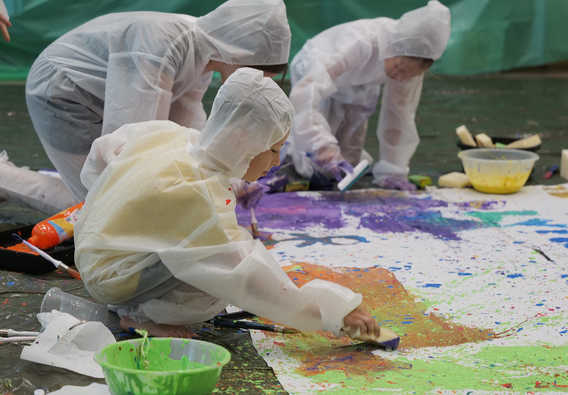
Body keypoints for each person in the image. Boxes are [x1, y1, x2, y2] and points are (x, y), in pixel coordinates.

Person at [74, 68, 380, 339]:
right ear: (245, 142)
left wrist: (127, 209)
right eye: (273, 149)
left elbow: (102, 155)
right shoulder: (196, 195)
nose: (275, 162)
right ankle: (141, 317)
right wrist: (335, 310)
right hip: (113, 279)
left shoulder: (171, 134)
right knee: (209, 290)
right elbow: (247, 277)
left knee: (201, 253)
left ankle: (131, 288)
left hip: (92, 248)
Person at [0, 0, 290, 213]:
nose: (259, 82)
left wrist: (228, 179)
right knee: (102, 206)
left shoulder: (206, 53)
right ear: (238, 54)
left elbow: (188, 126)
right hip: (60, 90)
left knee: (140, 195)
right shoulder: (161, 45)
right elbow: (130, 143)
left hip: (100, 93)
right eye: (260, 73)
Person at [287, 0, 451, 190]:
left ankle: (336, 164)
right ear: (394, 48)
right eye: (399, 67)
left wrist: (393, 170)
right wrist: (322, 148)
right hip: (317, 73)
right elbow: (307, 93)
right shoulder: (361, 42)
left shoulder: (409, 62)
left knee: (349, 163)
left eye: (408, 73)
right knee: (311, 161)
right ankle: (290, 159)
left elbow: (400, 114)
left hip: (361, 84)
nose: (400, 76)